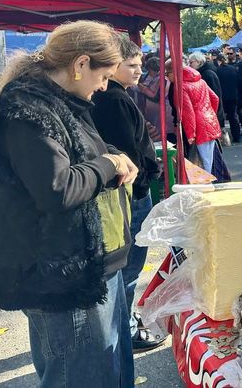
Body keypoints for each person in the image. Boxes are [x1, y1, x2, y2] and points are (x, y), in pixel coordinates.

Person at [0, 21, 138, 387]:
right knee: (76, 376)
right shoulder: (26, 113)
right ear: (81, 64)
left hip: (87, 265)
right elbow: (56, 189)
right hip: (58, 273)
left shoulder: (61, 102)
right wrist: (108, 164)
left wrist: (111, 156)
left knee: (105, 370)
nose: (104, 86)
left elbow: (77, 154)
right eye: (104, 75)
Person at [90, 37, 164, 354]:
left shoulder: (118, 96)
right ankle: (126, 328)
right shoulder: (114, 100)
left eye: (138, 65)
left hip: (128, 192)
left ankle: (122, 324)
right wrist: (146, 178)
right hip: (129, 194)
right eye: (131, 65)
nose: (138, 71)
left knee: (127, 266)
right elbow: (126, 153)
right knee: (129, 267)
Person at [165, 61, 221, 172]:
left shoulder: (181, 87)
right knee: (209, 159)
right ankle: (211, 183)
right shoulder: (201, 81)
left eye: (167, 74)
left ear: (174, 72)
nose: (167, 77)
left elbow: (187, 112)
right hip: (209, 121)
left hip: (198, 126)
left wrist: (190, 134)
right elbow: (215, 98)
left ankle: (206, 186)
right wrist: (209, 113)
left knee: (203, 163)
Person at [190, 51, 225, 128]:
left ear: (198, 62)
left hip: (212, 113)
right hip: (210, 112)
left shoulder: (208, 74)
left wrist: (214, 113)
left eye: (191, 62)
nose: (190, 65)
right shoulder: (204, 73)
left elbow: (215, 95)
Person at [215, 53, 242, 143]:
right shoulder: (233, 69)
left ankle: (223, 138)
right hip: (233, 96)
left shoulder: (217, 71)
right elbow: (238, 82)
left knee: (221, 117)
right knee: (233, 117)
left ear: (219, 61)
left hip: (222, 97)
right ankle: (236, 136)